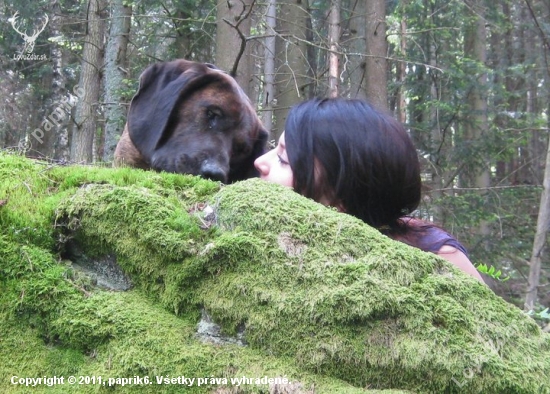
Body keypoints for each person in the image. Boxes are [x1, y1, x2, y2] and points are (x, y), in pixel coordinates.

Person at [254, 98, 485, 283]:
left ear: (341, 197)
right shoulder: (258, 242)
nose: (260, 162)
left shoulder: (435, 258)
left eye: (284, 159)